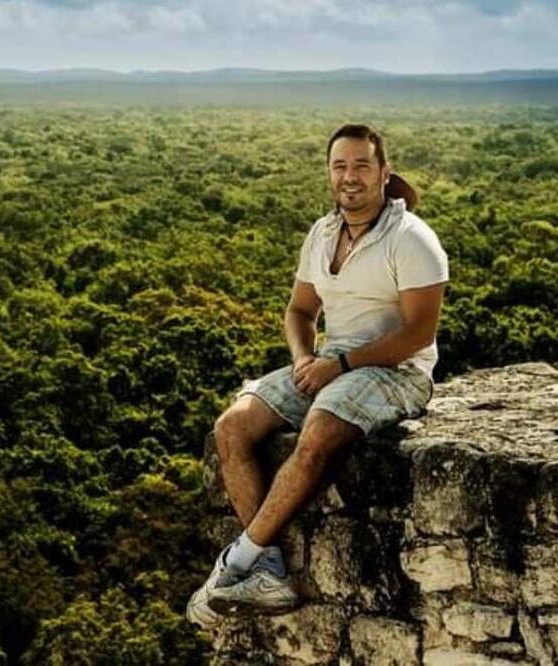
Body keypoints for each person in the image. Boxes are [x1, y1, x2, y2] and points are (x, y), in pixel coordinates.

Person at [186, 123, 449, 628]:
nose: (349, 177)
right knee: (232, 427)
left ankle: (234, 563)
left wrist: (341, 365)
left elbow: (417, 333)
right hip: (331, 362)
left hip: (395, 371)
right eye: (340, 166)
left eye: (361, 166)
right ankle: (267, 570)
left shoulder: (412, 239)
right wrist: (306, 358)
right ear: (329, 173)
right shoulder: (322, 232)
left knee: (319, 432)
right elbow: (299, 311)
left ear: (384, 173)